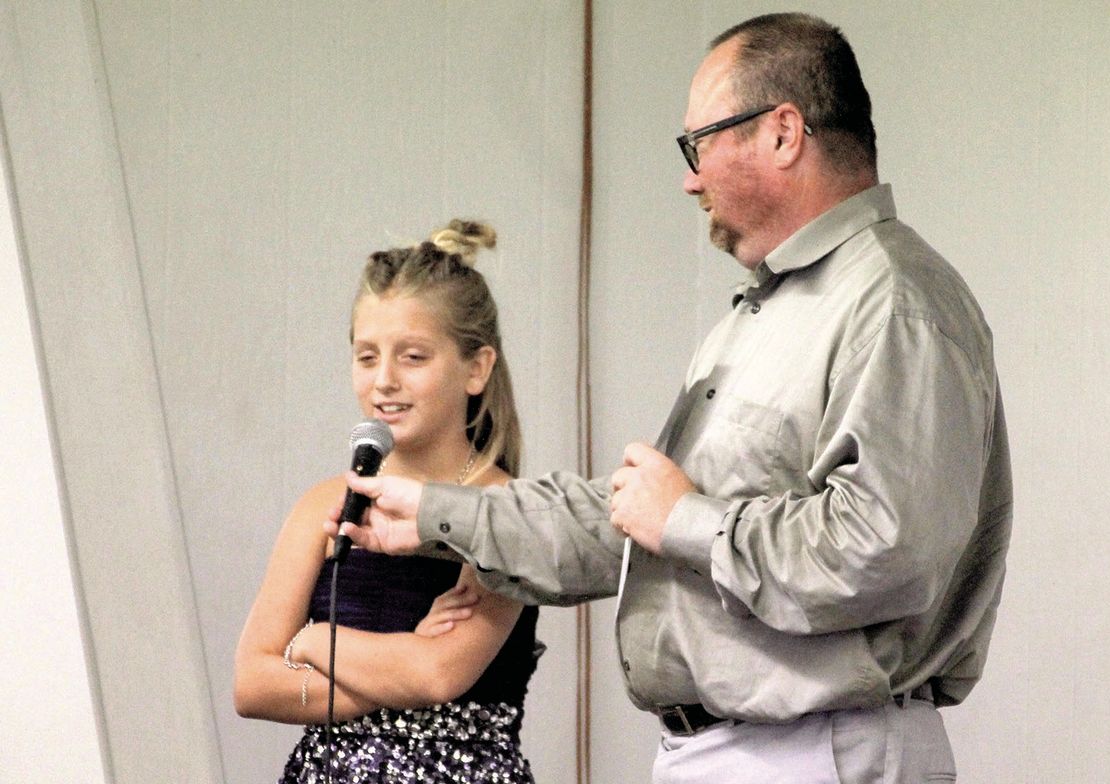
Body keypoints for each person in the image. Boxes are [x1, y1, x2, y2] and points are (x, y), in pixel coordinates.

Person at [332, 13, 1012, 784]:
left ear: (783, 133)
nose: (690, 178)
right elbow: (637, 524)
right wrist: (432, 514)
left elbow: (886, 552)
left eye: (700, 144)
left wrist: (686, 518)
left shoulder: (894, 302)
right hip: (740, 749)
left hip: (816, 750)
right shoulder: (765, 313)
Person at [234, 220, 540, 783]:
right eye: (367, 357)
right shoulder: (323, 505)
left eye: (414, 357)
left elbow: (435, 676)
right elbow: (252, 683)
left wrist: (310, 642)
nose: (385, 381)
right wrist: (391, 667)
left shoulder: (504, 511)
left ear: (477, 368)